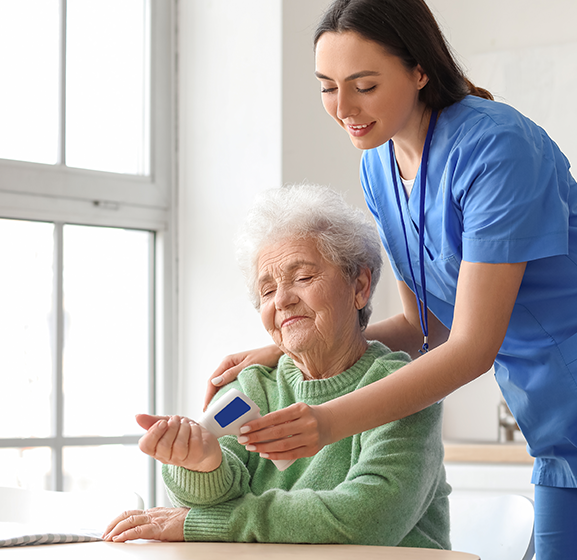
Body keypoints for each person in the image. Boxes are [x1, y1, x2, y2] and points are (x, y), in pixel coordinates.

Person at [205, 1, 577, 558]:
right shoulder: (378, 165)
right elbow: (426, 325)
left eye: (365, 85)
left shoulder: (496, 146)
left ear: (419, 70)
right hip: (554, 411)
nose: (344, 108)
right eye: (328, 87)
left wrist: (326, 421)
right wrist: (281, 350)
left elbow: (473, 347)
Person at [104, 184, 451, 548]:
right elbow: (212, 500)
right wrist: (202, 464)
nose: (282, 300)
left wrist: (207, 523)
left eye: (303, 278)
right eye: (267, 291)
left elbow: (366, 520)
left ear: (359, 287)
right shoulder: (251, 387)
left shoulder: (403, 389)